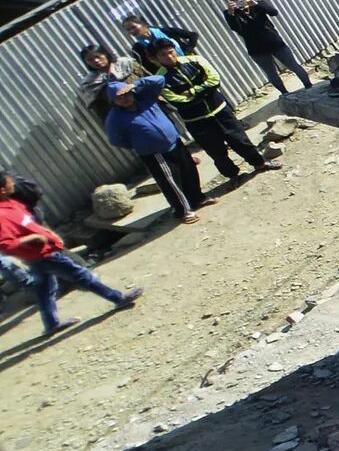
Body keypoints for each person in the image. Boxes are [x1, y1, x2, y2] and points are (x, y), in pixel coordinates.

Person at [0, 172, 141, 334]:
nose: (13, 184)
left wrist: (47, 234)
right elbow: (6, 245)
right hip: (43, 255)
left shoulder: (12, 203)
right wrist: (34, 238)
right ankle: (118, 298)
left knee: (45, 290)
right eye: (9, 183)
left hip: (39, 256)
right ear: (2, 189)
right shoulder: (2, 216)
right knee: (81, 275)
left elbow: (30, 222)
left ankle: (51, 325)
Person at [82, 49, 202, 221]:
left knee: (188, 169)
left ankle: (198, 198)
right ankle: (183, 211)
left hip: (174, 142)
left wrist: (134, 86)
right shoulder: (114, 117)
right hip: (154, 152)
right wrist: (141, 142)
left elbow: (158, 79)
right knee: (170, 182)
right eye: (119, 98)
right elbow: (117, 139)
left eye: (126, 95)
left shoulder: (144, 98)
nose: (124, 99)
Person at [134, 32, 268, 184]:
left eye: (170, 52)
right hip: (197, 121)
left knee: (240, 140)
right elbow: (177, 101)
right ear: (156, 59)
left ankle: (260, 163)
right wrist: (203, 90)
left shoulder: (195, 60)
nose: (169, 57)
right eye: (163, 55)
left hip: (220, 111)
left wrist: (192, 91)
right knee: (216, 152)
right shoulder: (159, 80)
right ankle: (234, 176)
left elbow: (214, 80)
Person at [224, 0, 313, 95]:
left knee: (293, 65)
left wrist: (256, 4)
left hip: (274, 43)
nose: (238, 0)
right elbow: (235, 28)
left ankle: (309, 86)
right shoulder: (229, 13)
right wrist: (231, 14)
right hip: (256, 49)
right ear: (229, 0)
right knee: (271, 73)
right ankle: (285, 94)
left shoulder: (259, 4)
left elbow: (274, 12)